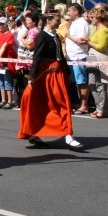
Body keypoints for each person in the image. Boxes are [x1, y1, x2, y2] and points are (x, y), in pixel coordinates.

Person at [18, 10, 83, 150]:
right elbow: (37, 56)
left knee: (62, 103)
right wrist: (32, 76)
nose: (59, 22)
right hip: (47, 73)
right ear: (49, 21)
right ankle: (37, 132)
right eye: (56, 20)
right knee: (44, 103)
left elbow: (60, 56)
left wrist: (66, 71)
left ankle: (67, 134)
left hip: (57, 71)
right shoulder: (42, 36)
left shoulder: (56, 35)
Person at [65, 3, 91, 114]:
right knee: (74, 82)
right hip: (71, 57)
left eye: (70, 11)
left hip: (79, 56)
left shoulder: (82, 23)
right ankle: (77, 103)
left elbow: (81, 40)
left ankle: (84, 105)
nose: (68, 13)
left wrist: (68, 35)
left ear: (76, 12)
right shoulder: (73, 23)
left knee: (81, 81)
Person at [0, 17, 17, 109]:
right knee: (0, 80)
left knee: (7, 80)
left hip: (6, 60)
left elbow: (4, 47)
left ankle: (10, 101)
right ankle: (3, 100)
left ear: (5, 25)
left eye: (1, 24)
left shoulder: (9, 34)